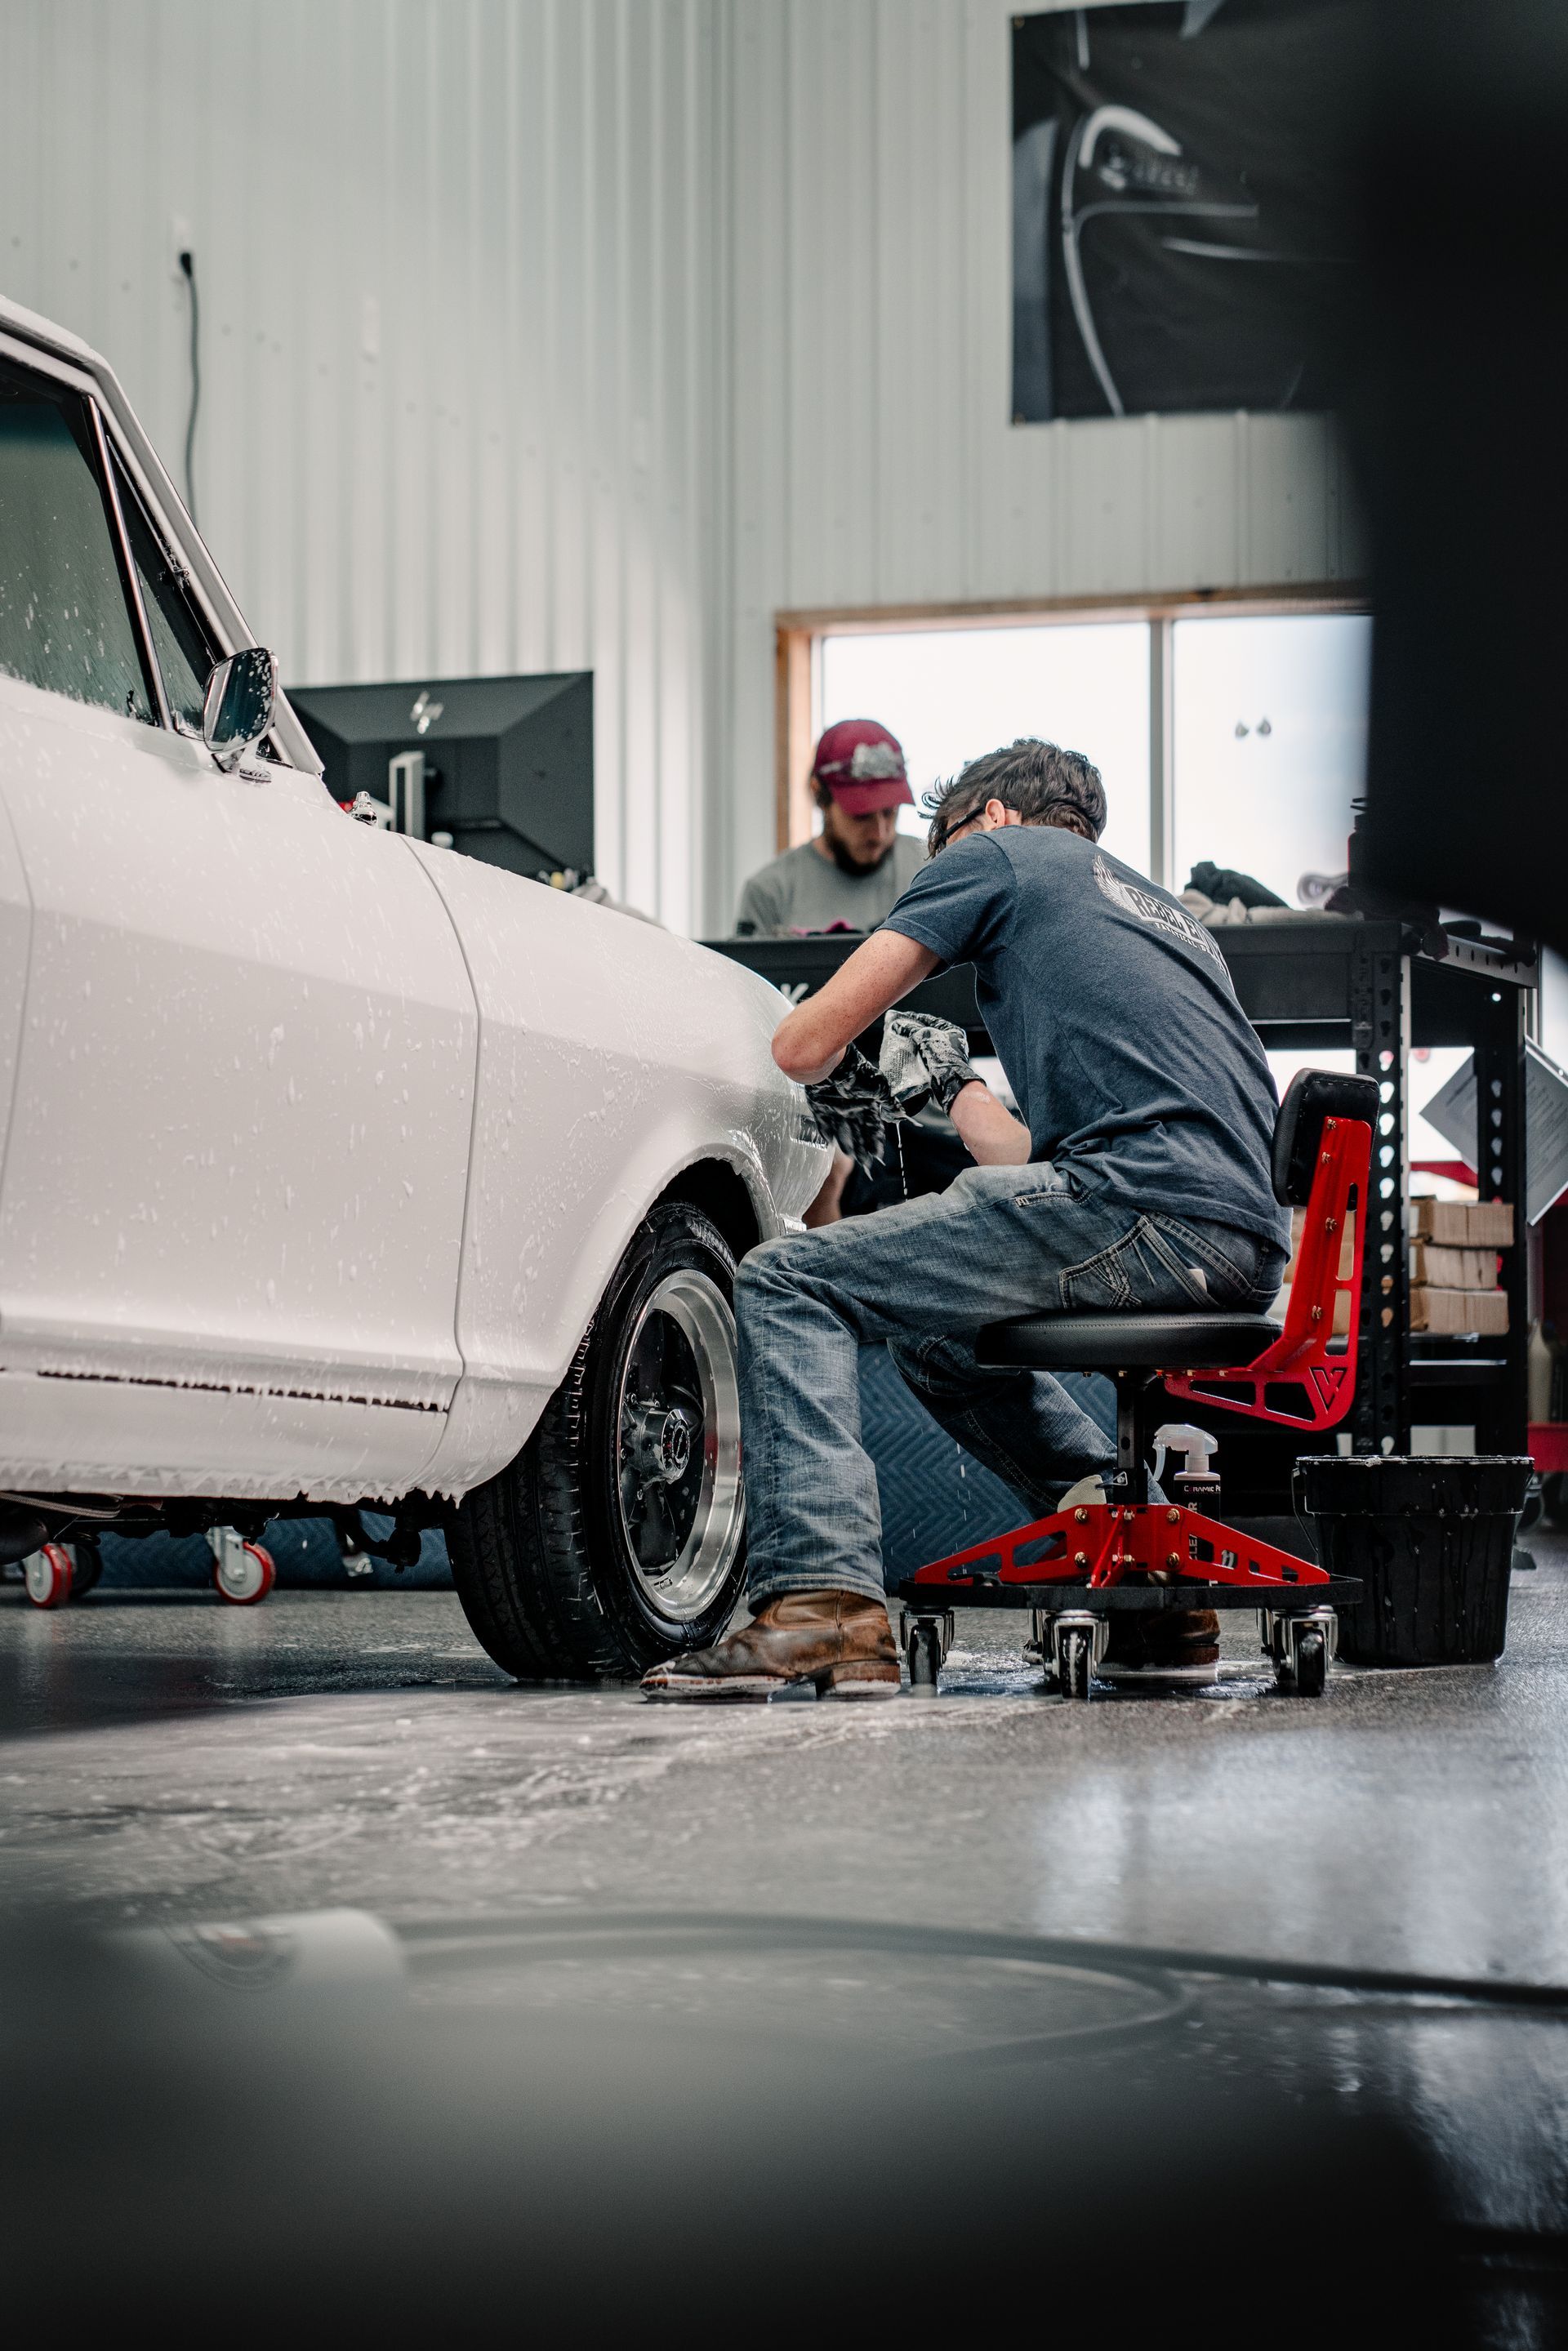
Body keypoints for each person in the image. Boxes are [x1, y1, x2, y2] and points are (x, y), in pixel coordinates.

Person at [644, 737, 1290, 1702]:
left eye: (939, 847)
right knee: (941, 1341)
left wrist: (846, 1053)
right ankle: (1152, 1588)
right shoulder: (1158, 915)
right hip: (1233, 1244)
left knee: (786, 1278)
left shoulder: (999, 856)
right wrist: (954, 1089)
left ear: (989, 820)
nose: (936, 870)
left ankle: (823, 1605)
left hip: (1135, 1212)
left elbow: (804, 1041)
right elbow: (1030, 1160)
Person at [733, 719, 928, 938]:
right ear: (818, 794)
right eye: (861, 816)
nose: (880, 833)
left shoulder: (931, 873)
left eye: (890, 812)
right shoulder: (769, 893)